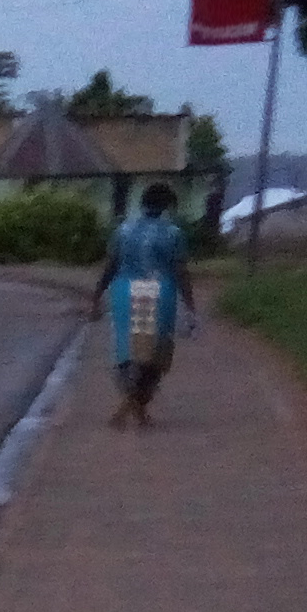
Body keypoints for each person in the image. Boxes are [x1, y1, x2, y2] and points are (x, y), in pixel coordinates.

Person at [92, 184, 195, 429]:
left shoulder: (123, 230)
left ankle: (132, 406)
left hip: (125, 292)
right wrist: (190, 304)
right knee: (153, 352)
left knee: (128, 349)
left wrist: (96, 295)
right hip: (160, 293)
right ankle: (133, 406)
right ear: (167, 206)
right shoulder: (173, 233)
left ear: (142, 203)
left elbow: (111, 266)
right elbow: (181, 271)